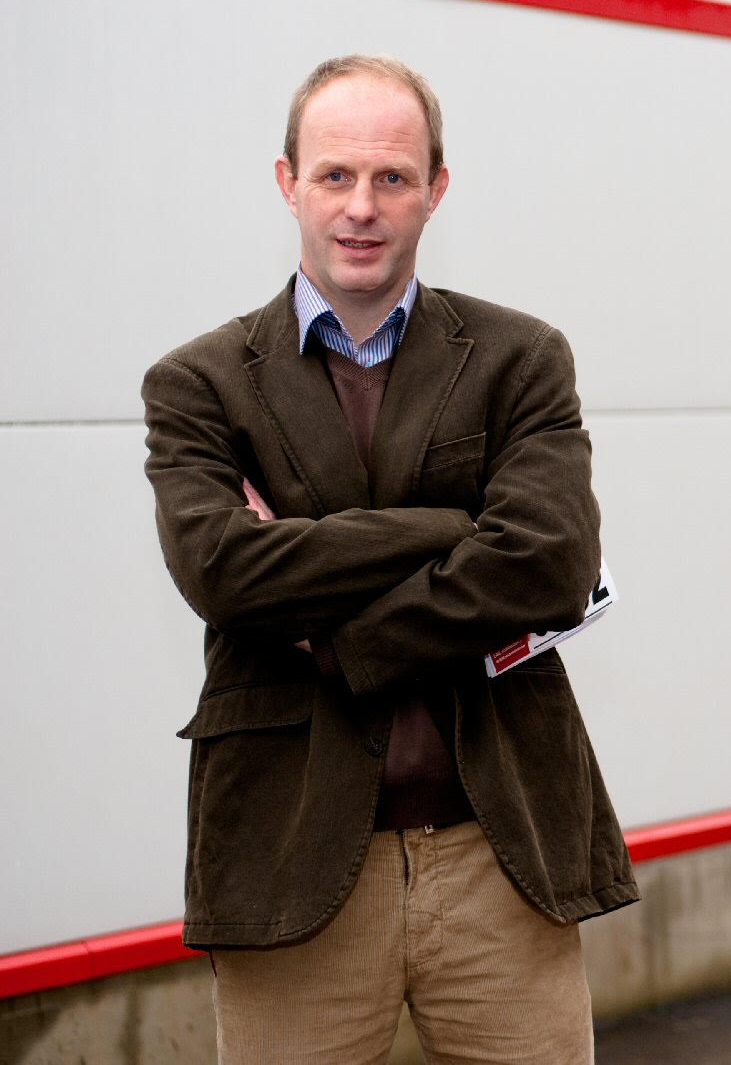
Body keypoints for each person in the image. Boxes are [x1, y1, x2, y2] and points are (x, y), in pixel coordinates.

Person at [141, 54, 636, 1063]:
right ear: (288, 182)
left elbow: (549, 559)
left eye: (391, 177)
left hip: (500, 853)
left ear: (434, 188)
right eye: (335, 175)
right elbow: (223, 571)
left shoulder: (520, 358)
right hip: (289, 858)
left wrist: (337, 637)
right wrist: (453, 525)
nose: (361, 207)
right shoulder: (198, 384)